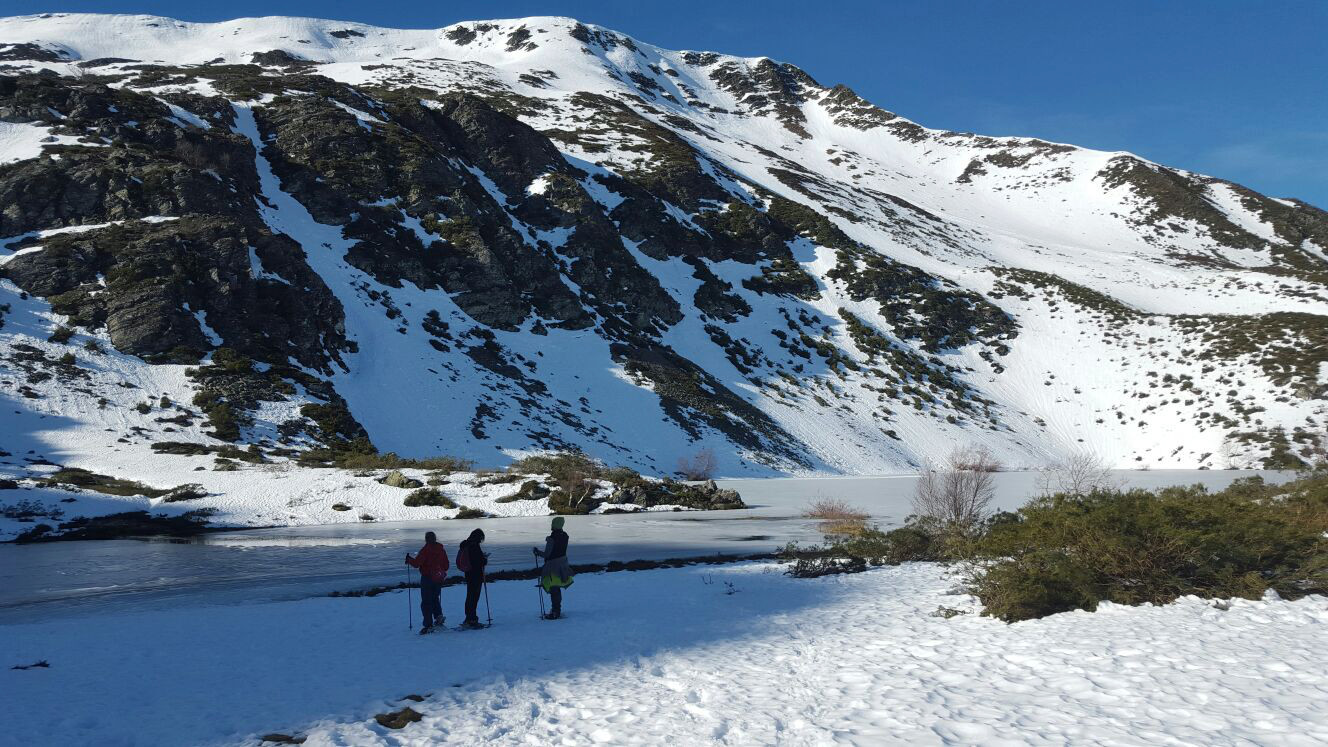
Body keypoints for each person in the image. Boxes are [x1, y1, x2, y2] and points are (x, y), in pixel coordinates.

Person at [405, 531, 449, 633]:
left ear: (426, 539)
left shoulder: (425, 550)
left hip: (427, 578)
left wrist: (409, 560)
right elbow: (446, 565)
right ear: (435, 538)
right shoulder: (441, 549)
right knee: (435, 599)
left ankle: (428, 625)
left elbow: (416, 564)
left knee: (426, 602)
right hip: (438, 579)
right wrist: (439, 570)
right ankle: (439, 617)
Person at [533, 516, 574, 619]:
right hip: (562, 565)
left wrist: (537, 552)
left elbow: (547, 555)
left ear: (554, 525)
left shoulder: (552, 539)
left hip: (552, 567)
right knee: (557, 588)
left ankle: (555, 612)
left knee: (554, 589)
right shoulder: (565, 536)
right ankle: (557, 610)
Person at [456, 528, 488, 628]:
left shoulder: (466, 544)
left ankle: (468, 617)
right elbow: (479, 561)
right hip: (476, 575)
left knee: (470, 596)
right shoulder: (474, 546)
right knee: (474, 597)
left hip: (468, 574)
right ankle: (472, 619)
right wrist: (485, 559)